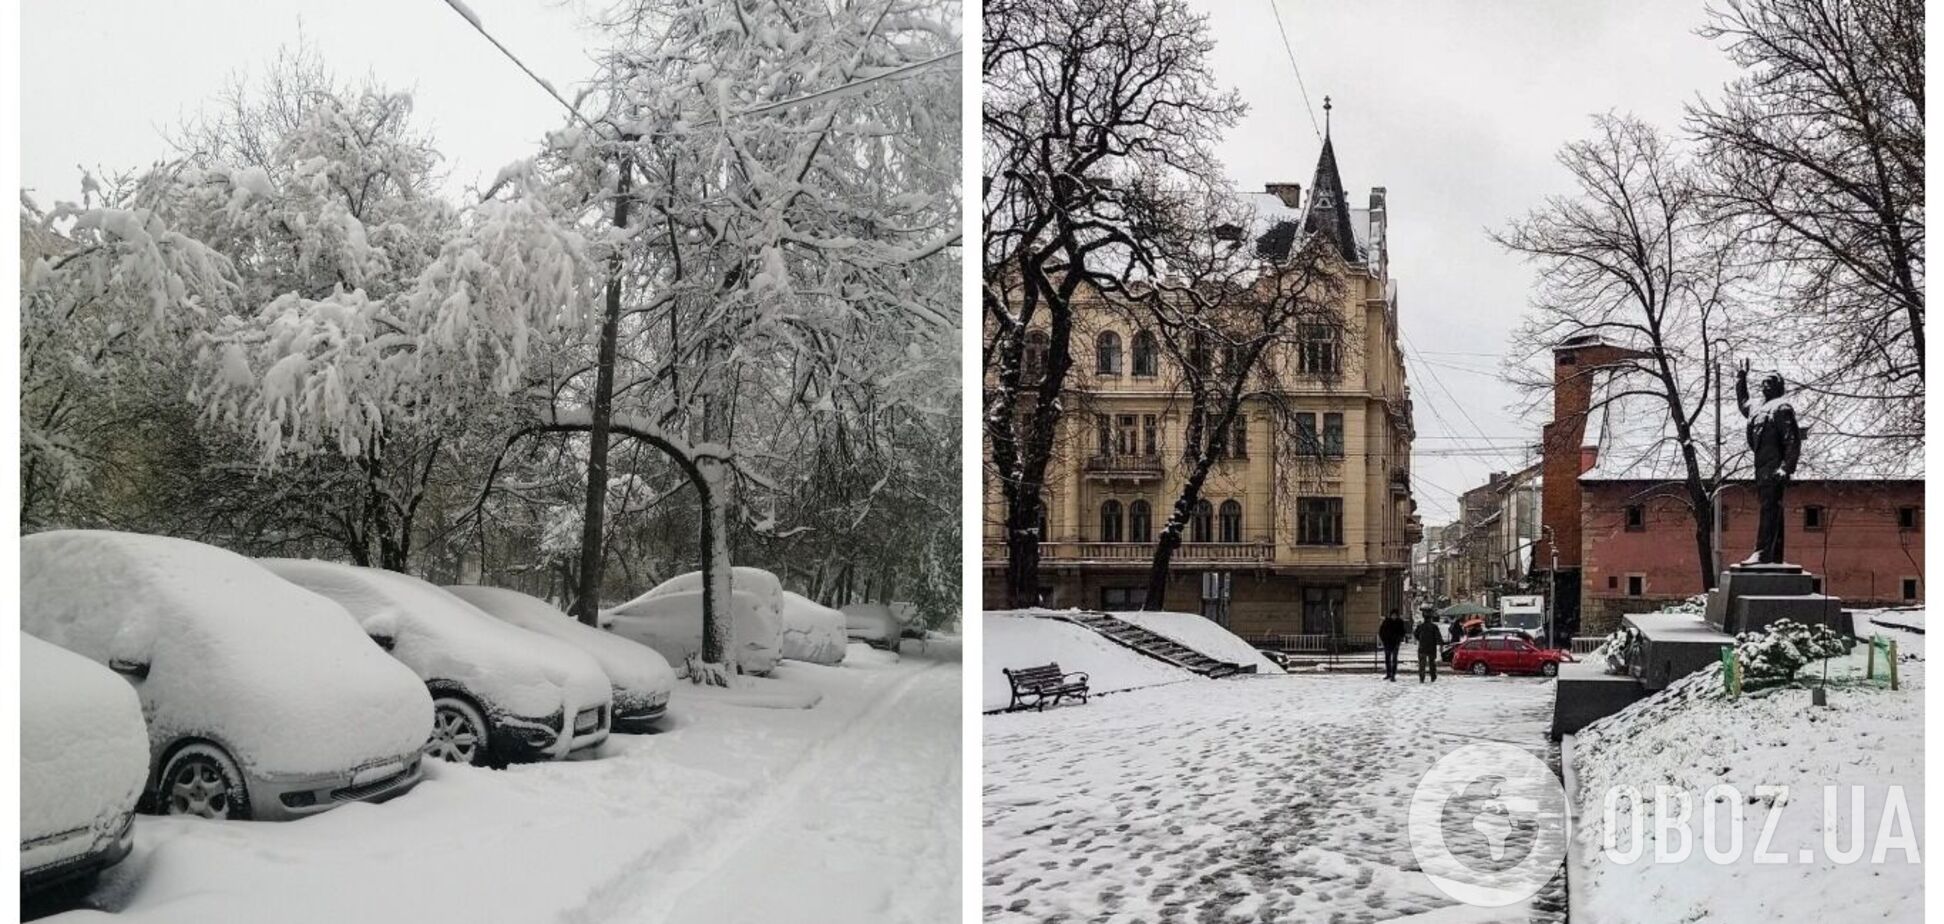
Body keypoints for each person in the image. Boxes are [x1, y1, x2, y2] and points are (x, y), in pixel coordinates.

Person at [1736, 359, 1801, 564]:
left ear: (1779, 387)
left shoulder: (1782, 408)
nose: (1765, 385)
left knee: (1769, 508)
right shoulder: (1756, 407)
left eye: (1770, 382)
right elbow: (1743, 402)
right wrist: (1741, 379)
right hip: (1760, 466)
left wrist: (1786, 467)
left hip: (1774, 467)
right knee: (1773, 508)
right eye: (1763, 382)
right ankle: (1775, 556)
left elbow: (1792, 439)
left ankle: (1762, 552)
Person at [1378, 610, 1408, 681]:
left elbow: (1402, 632)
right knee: (1387, 659)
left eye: (1395, 615)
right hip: (1387, 643)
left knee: (1394, 659)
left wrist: (1399, 639)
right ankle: (1388, 673)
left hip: (1395, 643)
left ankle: (1393, 675)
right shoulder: (1386, 622)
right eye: (1392, 615)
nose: (1393, 616)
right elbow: (1381, 631)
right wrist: (1384, 640)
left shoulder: (1399, 622)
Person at [1415, 611, 1443, 683]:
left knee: (1422, 664)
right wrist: (1440, 644)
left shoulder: (1420, 626)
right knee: (1432, 663)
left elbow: (1416, 634)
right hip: (1431, 648)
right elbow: (1438, 637)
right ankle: (1433, 677)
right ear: (1430, 619)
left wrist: (1420, 640)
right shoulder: (1434, 627)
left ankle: (1422, 678)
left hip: (1422, 647)